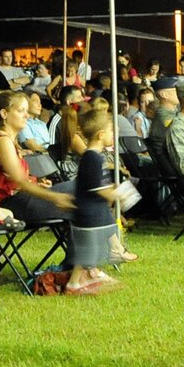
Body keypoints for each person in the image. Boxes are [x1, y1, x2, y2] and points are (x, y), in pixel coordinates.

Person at [0, 90, 76, 222]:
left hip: (22, 198)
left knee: (85, 193)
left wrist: (37, 183)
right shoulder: (2, 141)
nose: (26, 116)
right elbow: (19, 181)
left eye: (26, 111)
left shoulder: (9, 141)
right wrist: (53, 196)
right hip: (14, 203)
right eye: (21, 111)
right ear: (4, 113)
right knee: (80, 188)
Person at [64, 109, 124, 293]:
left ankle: (83, 279)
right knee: (86, 252)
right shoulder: (91, 157)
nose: (115, 135)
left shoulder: (96, 157)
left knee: (91, 250)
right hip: (88, 212)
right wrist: (117, 194)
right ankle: (74, 284)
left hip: (95, 212)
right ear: (101, 134)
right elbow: (96, 187)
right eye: (112, 131)